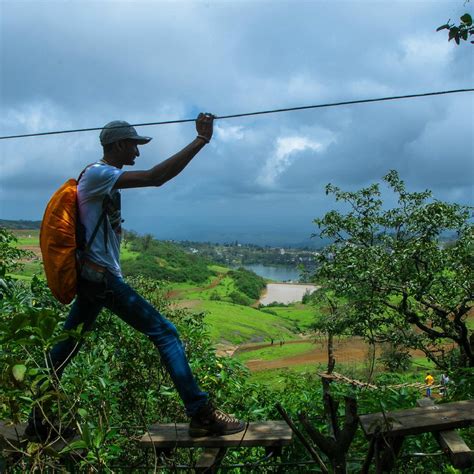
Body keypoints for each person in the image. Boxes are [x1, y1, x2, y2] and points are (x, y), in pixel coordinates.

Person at [26, 113, 245, 441]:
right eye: (134, 146)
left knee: (66, 347)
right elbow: (157, 177)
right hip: (101, 280)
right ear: (117, 145)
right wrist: (201, 140)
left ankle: (37, 422)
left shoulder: (106, 181)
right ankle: (201, 414)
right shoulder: (100, 173)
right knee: (166, 333)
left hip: (94, 279)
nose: (138, 153)